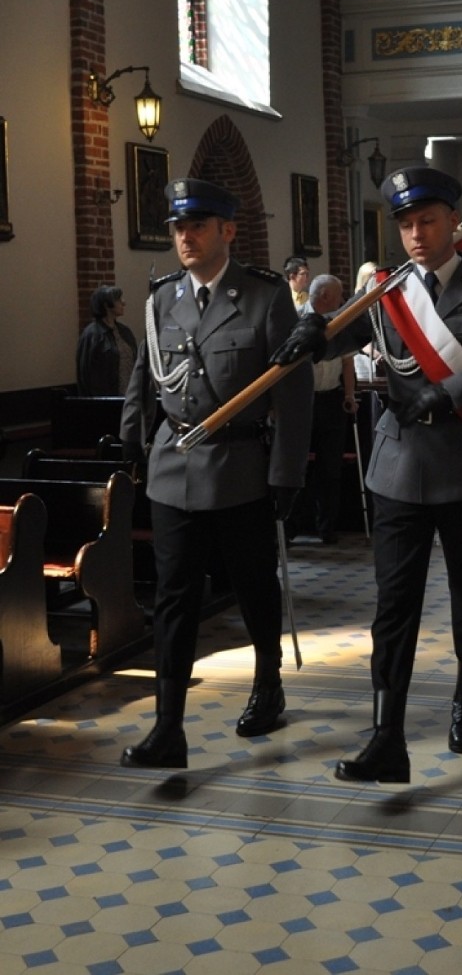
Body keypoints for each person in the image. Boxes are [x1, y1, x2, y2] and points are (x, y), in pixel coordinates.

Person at [273, 166, 462, 783]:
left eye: (427, 220)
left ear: (454, 220)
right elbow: (336, 337)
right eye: (405, 224)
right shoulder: (385, 294)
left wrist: (449, 392)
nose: (417, 233)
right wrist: (311, 332)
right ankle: (386, 734)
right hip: (396, 471)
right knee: (393, 608)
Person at [118, 178, 313, 769]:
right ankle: (167, 728)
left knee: (253, 586)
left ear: (227, 230)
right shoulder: (159, 300)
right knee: (174, 600)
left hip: (240, 471)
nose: (185, 237)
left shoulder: (263, 296)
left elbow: (294, 392)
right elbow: (144, 380)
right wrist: (133, 444)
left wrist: (286, 473)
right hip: (174, 469)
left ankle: (268, 685)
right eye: (178, 227)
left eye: (197, 226)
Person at [293, 274, 357, 544]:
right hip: (301, 403)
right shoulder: (295, 319)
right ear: (324, 297)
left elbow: (347, 363)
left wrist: (350, 394)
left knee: (330, 469)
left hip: (331, 400)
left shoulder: (338, 321)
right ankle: (291, 527)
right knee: (294, 466)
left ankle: (326, 528)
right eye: (339, 296)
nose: (342, 301)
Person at [76, 285, 138, 396]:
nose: (123, 303)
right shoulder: (92, 334)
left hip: (129, 397)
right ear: (107, 305)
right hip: (106, 399)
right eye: (118, 300)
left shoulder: (124, 331)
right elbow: (85, 374)